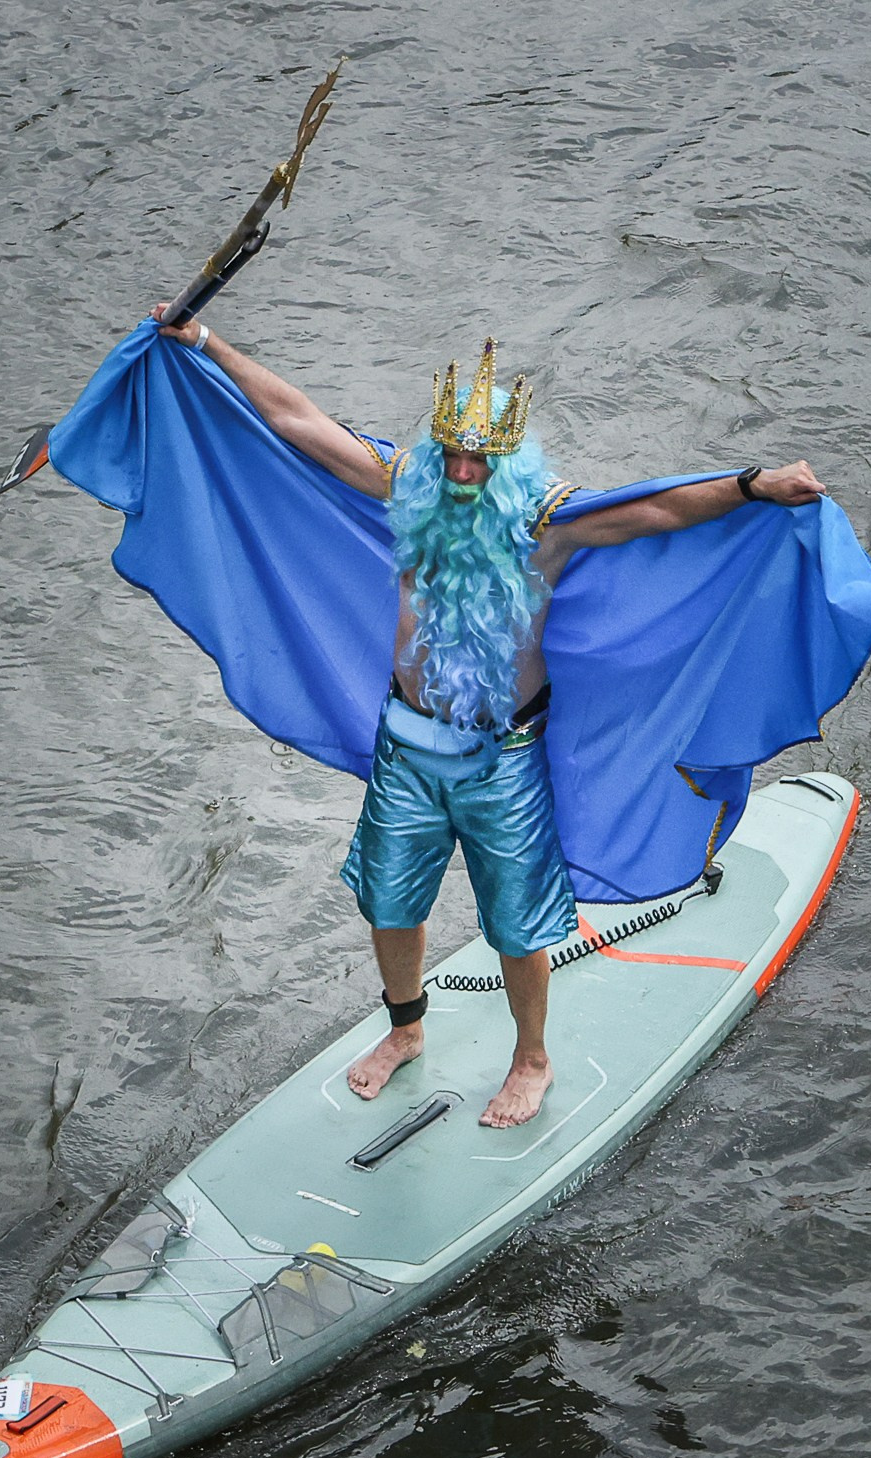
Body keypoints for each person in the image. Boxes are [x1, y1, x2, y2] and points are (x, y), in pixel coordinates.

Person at [152, 308, 825, 1130]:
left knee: (515, 923)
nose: (465, 471)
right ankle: (405, 1030)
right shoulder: (408, 486)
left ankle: (531, 1059)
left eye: (481, 458)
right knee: (389, 902)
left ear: (508, 459)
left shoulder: (544, 525)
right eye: (454, 455)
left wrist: (753, 484)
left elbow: (657, 511)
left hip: (502, 758)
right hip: (406, 747)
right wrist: (205, 341)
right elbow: (299, 420)